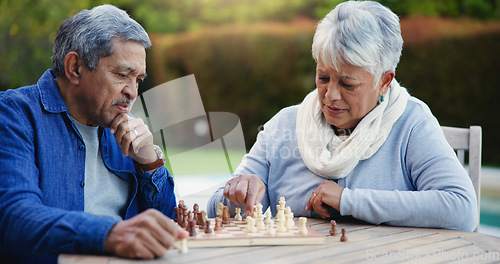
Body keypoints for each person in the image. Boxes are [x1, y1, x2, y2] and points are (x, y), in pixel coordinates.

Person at [208, 0, 478, 232]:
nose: (330, 95)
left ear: (384, 81)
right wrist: (237, 194)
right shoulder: (285, 125)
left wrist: (349, 200)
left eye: (348, 84)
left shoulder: (411, 124)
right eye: (323, 77)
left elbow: (462, 209)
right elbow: (214, 208)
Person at [0, 5, 188, 263]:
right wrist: (109, 234)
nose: (132, 92)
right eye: (122, 75)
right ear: (75, 67)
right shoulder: (13, 115)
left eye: (138, 80)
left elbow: (167, 225)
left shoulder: (126, 127)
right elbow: (13, 217)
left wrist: (149, 163)